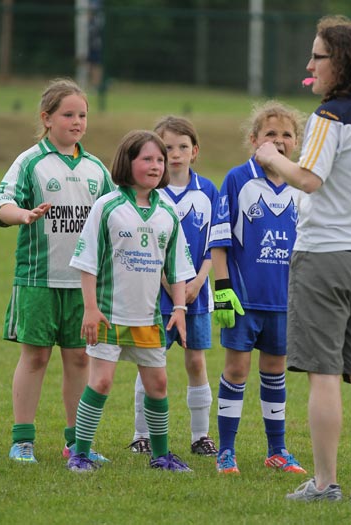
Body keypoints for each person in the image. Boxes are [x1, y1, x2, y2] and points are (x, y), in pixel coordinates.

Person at [255, 15, 351, 506]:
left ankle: (323, 484)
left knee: (323, 373)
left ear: (339, 62)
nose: (310, 64)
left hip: (326, 257)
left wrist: (270, 154)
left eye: (318, 56)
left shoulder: (329, 117)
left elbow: (307, 179)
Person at [0, 78, 115, 464]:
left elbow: (114, 214)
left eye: (82, 115)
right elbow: (1, 204)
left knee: (79, 359)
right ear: (47, 119)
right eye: (68, 114)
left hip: (83, 286)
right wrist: (23, 215)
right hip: (37, 280)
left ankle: (77, 443)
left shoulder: (97, 169)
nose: (77, 121)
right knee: (36, 358)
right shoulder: (30, 162)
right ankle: (22, 440)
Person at [67, 130, 197, 472]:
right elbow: (87, 262)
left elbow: (177, 267)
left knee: (159, 383)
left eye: (160, 160)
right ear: (128, 162)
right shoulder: (107, 206)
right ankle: (79, 453)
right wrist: (91, 309)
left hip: (149, 317)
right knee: (102, 381)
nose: (156, 166)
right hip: (109, 314)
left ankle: (161, 455)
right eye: (147, 159)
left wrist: (180, 308)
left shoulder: (167, 211)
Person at [208, 100, 307, 475]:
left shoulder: (302, 183)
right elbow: (219, 241)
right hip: (243, 299)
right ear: (254, 140)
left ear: (296, 143)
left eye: (286, 135)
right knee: (236, 370)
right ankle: (226, 451)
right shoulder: (238, 179)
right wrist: (222, 289)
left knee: (275, 371)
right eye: (270, 134)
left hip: (286, 300)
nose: (278, 141)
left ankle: (277, 450)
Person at [128, 116, 219, 457]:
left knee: (196, 362)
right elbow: (148, 243)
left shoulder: (209, 190)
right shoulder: (153, 193)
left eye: (183, 147)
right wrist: (171, 283)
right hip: (156, 295)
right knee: (151, 362)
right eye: (167, 148)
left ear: (195, 151)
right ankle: (142, 435)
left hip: (197, 294)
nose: (176, 154)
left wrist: (197, 280)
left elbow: (215, 244)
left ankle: (200, 436)